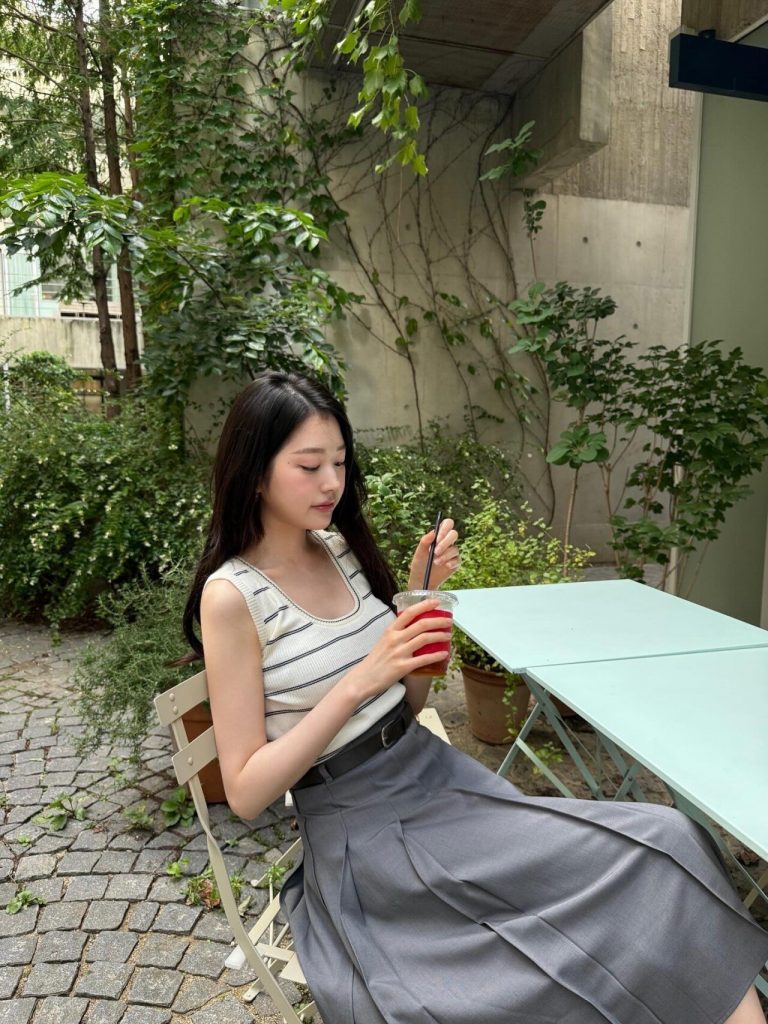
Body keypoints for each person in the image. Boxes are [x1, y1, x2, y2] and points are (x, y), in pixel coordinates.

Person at [183, 370, 768, 1024]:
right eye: (309, 465)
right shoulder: (232, 596)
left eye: (340, 463)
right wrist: (360, 680)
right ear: (255, 473)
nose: (332, 484)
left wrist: (420, 604)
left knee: (667, 839)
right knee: (524, 960)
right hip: (364, 837)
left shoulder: (335, 548)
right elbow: (245, 791)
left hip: (436, 780)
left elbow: (404, 707)